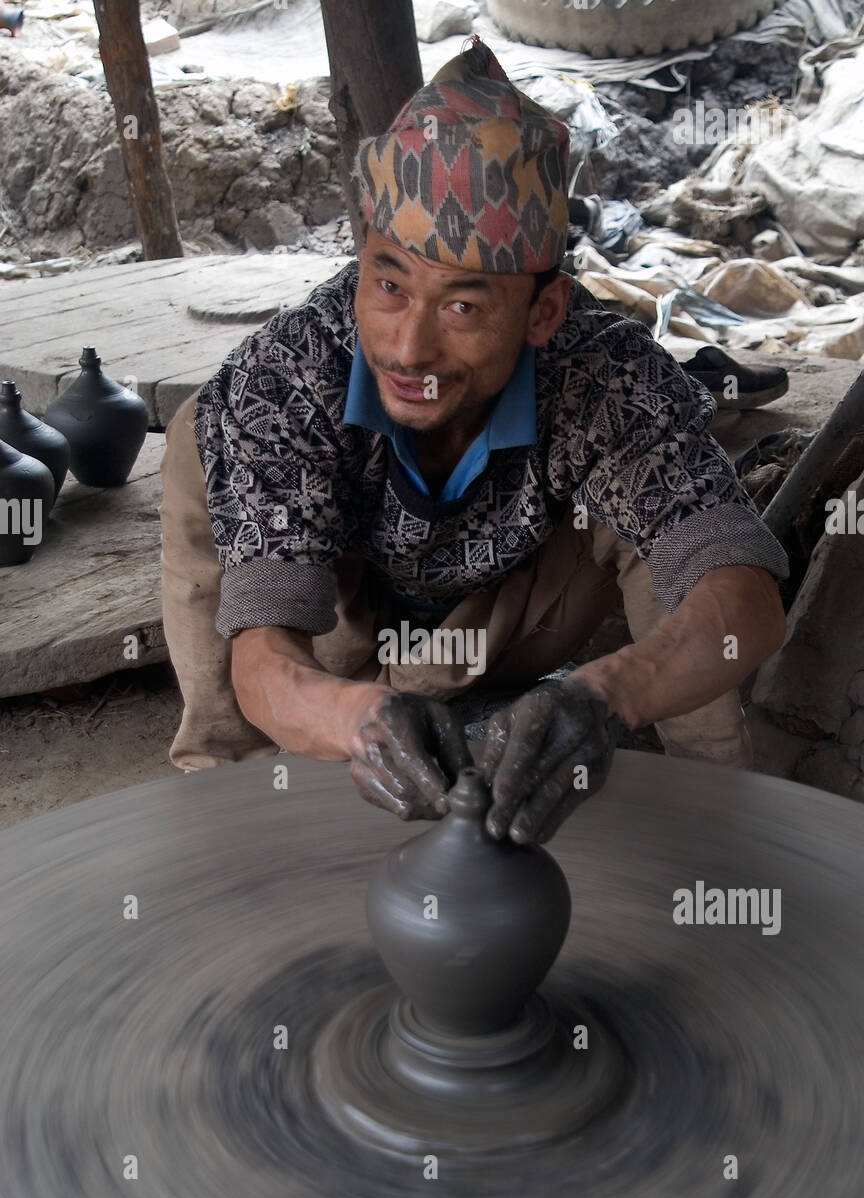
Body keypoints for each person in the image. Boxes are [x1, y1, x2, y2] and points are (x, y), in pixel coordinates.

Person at [159, 38, 788, 846]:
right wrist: (352, 717)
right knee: (195, 434)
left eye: (462, 307)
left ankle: (709, 826)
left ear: (543, 313)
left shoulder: (606, 372)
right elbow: (264, 659)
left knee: (681, 558)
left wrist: (608, 693)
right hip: (344, 631)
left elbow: (748, 603)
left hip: (518, 620)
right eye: (388, 286)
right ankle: (230, 807)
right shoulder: (288, 377)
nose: (409, 347)